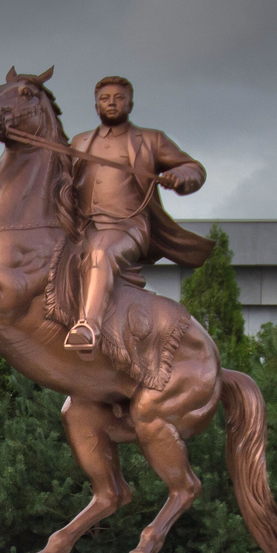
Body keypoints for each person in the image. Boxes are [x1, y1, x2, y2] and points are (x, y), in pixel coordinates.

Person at [64, 75, 211, 355]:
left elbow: (194, 168)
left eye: (119, 98)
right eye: (105, 99)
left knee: (100, 253)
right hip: (82, 228)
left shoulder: (151, 140)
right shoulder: (80, 141)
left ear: (130, 103)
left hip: (126, 226)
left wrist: (178, 176)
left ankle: (88, 326)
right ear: (96, 106)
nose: (112, 103)